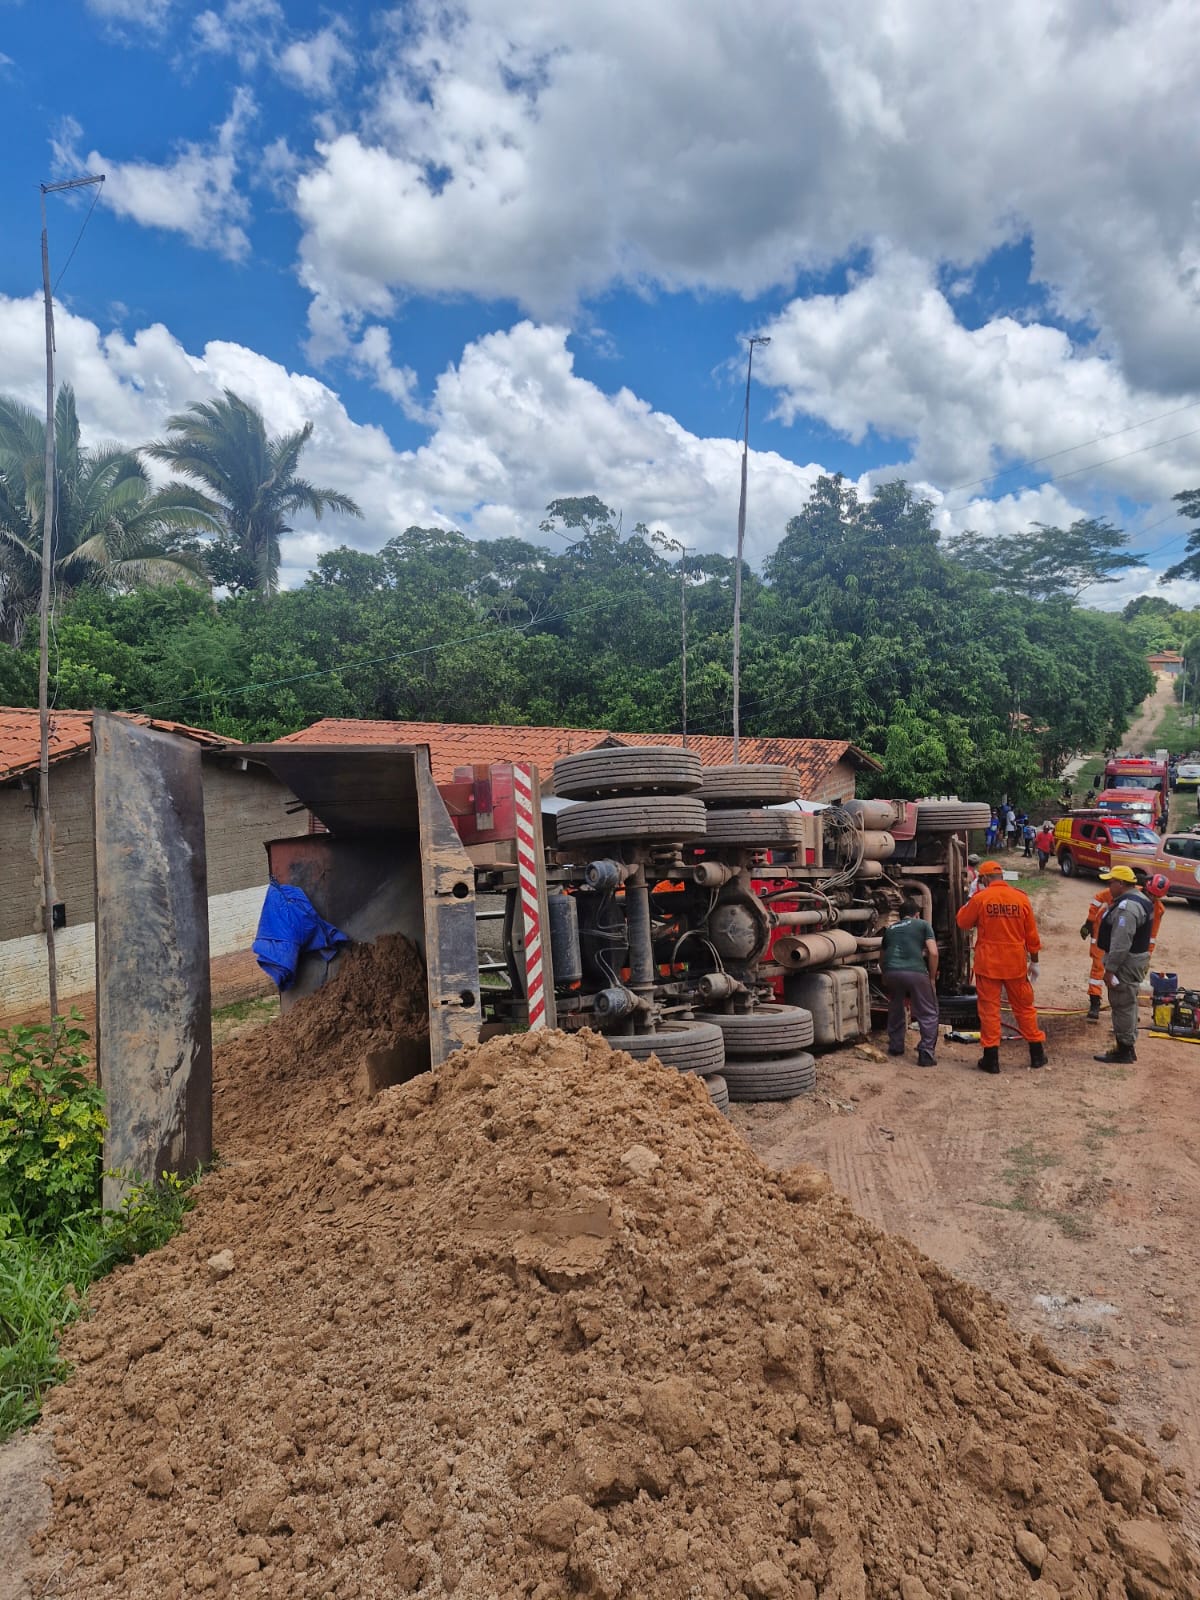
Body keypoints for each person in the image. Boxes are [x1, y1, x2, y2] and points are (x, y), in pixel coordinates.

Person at [956, 860, 1047, 1074]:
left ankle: (991, 1060)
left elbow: (962, 921)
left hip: (988, 965)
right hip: (1015, 964)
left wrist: (971, 899)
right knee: (1024, 1008)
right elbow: (1032, 936)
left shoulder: (981, 898)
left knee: (989, 1011)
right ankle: (1036, 1054)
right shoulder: (1021, 898)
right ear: (1002, 877)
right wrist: (1034, 961)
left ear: (985, 879)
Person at [1092, 864, 1158, 1064]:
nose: (1109, 887)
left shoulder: (1128, 907)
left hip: (1125, 963)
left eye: (1111, 882)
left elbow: (1121, 943)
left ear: (1121, 883)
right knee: (1127, 1003)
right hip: (1133, 961)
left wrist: (1110, 970)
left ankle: (1125, 1050)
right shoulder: (1140, 900)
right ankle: (1125, 1046)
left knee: (1122, 1005)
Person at [881, 899, 939, 1067]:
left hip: (892, 971)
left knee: (896, 1007)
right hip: (915, 972)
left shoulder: (890, 929)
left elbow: (882, 956)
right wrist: (932, 978)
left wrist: (886, 973)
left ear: (900, 916)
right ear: (917, 914)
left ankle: (896, 1046)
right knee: (928, 1011)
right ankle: (926, 1053)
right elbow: (933, 953)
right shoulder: (922, 924)